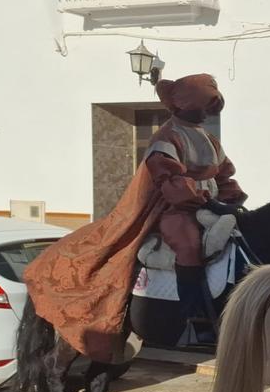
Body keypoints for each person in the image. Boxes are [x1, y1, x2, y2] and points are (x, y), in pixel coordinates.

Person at [24, 73, 242, 362]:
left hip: (210, 205)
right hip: (176, 208)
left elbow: (224, 173)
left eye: (210, 107)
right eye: (203, 106)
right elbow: (168, 177)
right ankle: (194, 317)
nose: (206, 112)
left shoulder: (209, 138)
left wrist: (230, 199)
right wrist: (201, 199)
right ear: (185, 105)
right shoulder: (167, 136)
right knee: (188, 243)